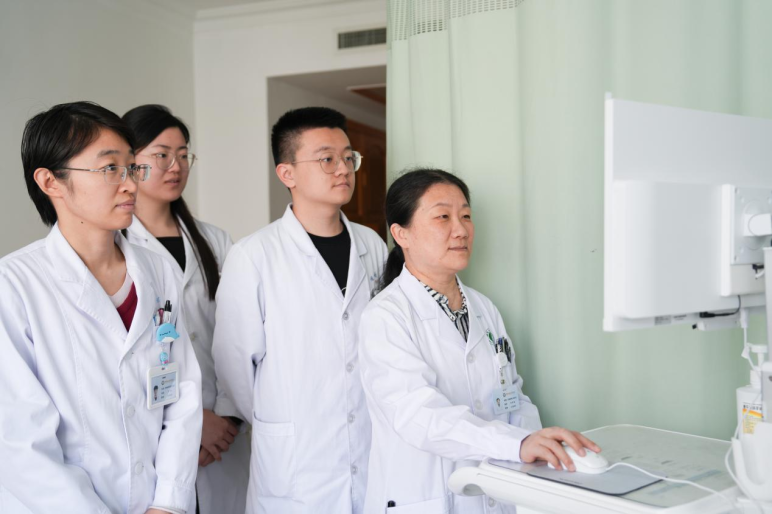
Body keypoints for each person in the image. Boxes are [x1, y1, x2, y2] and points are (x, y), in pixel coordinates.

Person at [358, 168, 600, 513]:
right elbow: (419, 416)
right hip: (428, 498)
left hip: (494, 494)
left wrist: (539, 455)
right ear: (401, 234)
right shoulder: (385, 316)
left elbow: (513, 397)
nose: (461, 230)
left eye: (466, 216)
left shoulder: (483, 308)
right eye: (443, 217)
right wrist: (516, 445)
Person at [0, 101, 202, 513]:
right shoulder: (15, 286)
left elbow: (182, 394)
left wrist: (168, 502)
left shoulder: (158, 270)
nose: (130, 184)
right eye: (110, 168)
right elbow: (20, 441)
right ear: (50, 181)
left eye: (131, 167)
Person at [212, 106, 388, 513]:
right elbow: (235, 365)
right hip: (296, 460)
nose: (342, 168)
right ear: (287, 173)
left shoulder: (372, 244)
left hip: (369, 445)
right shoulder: (253, 255)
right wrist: (280, 417)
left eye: (348, 157)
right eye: (327, 159)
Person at [122, 105, 248, 514]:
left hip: (225, 431)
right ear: (130, 161)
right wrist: (191, 422)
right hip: (154, 428)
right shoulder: (117, 246)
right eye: (161, 155)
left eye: (183, 155)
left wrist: (225, 417)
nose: (175, 166)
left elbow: (241, 335)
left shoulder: (216, 241)